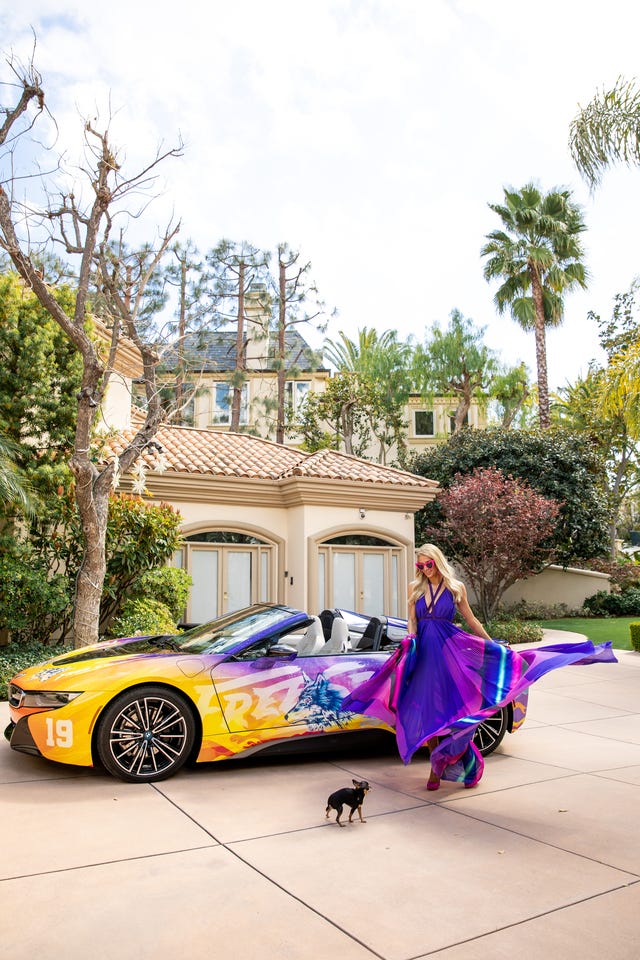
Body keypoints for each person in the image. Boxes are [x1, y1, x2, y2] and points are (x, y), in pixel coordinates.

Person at [342, 543, 618, 791]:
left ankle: (450, 763)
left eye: (429, 564)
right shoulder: (415, 589)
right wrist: (411, 638)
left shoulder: (455, 588)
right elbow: (412, 621)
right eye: (420, 565)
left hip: (450, 652)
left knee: (452, 711)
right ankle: (436, 769)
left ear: (438, 562)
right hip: (425, 655)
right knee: (426, 711)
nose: (425, 569)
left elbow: (472, 621)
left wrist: (492, 644)